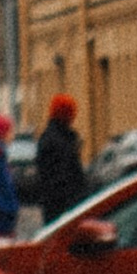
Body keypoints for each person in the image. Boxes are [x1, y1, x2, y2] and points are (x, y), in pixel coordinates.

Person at [31, 91, 87, 221]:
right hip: (62, 207)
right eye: (71, 112)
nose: (73, 116)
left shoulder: (52, 137)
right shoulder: (58, 140)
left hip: (56, 205)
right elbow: (63, 176)